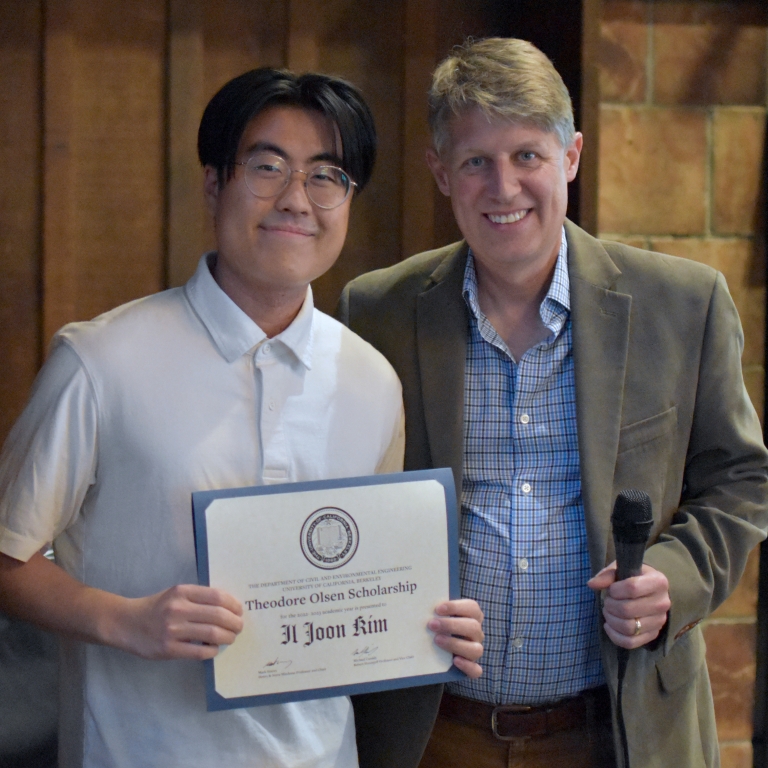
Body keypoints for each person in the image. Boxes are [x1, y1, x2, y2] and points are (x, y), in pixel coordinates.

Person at [0, 68, 484, 768]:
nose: (296, 200)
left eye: (327, 177)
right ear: (212, 185)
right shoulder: (101, 360)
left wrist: (428, 624)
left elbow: (359, 578)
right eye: (266, 167)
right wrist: (126, 621)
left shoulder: (372, 381)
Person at [338, 37, 768, 768]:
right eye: (476, 162)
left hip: (616, 730)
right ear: (442, 173)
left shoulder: (682, 304)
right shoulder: (378, 310)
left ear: (571, 156)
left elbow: (740, 480)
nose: (503, 187)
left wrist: (676, 579)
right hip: (430, 733)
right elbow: (341, 495)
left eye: (527, 156)